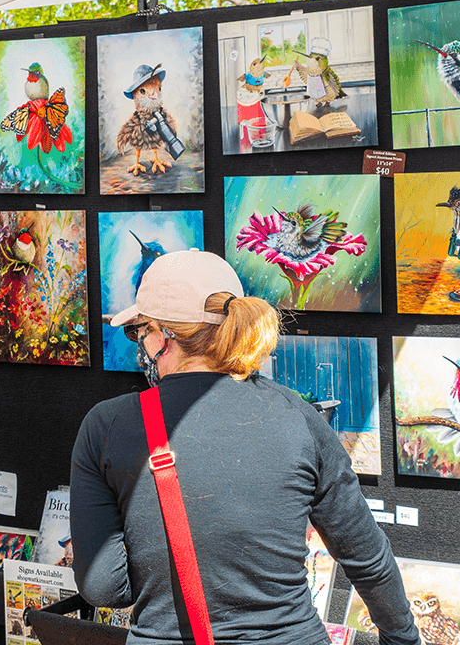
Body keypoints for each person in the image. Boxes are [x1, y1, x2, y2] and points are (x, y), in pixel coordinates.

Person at [70, 249, 419, 644]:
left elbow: (105, 588)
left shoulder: (107, 426)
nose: (140, 344)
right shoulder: (299, 416)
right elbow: (367, 558)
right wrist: (401, 639)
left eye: (139, 331)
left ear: (163, 337)